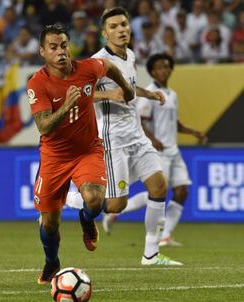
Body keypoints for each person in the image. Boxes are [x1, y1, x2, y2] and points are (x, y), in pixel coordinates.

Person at [65, 7, 182, 266]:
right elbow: (77, 95)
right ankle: (69, 196)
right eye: (115, 27)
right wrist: (107, 95)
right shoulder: (95, 62)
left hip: (137, 136)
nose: (121, 30)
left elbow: (128, 86)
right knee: (116, 206)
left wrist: (148, 94)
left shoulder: (130, 56)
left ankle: (151, 253)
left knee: (159, 186)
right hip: (112, 139)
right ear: (105, 33)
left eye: (124, 25)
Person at [27, 23, 134, 284]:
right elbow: (43, 126)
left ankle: (87, 220)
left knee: (95, 200)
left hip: (88, 151)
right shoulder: (38, 83)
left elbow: (108, 67)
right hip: (54, 157)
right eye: (53, 47)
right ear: (43, 51)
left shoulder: (87, 68)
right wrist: (66, 105)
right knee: (50, 223)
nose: (61, 51)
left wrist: (127, 90)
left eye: (64, 45)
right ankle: (52, 263)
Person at [102, 53, 207, 247]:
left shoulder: (171, 94)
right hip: (157, 149)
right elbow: (139, 119)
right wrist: (153, 139)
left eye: (167, 67)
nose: (164, 70)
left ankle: (165, 236)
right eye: (159, 67)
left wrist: (194, 132)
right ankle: (116, 211)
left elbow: (173, 122)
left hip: (173, 150)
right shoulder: (148, 92)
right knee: (159, 190)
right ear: (151, 71)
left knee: (182, 191)